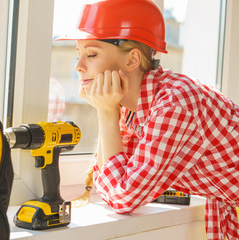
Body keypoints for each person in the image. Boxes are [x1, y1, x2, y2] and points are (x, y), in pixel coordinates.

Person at [56, 0, 239, 239]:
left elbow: (125, 197)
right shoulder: (135, 109)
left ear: (132, 60)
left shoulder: (174, 104)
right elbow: (112, 184)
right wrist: (108, 110)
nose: (78, 66)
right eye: (78, 55)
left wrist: (106, 112)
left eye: (91, 54)